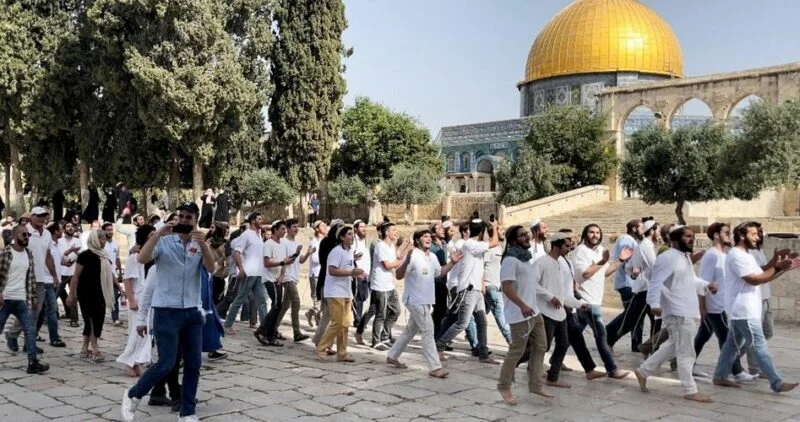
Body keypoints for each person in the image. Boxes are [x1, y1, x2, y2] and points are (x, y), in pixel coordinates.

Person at [122, 202, 215, 422]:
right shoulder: (164, 241)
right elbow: (142, 258)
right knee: (166, 363)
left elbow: (212, 269)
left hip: (192, 312)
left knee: (193, 364)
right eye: (180, 216)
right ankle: (133, 393)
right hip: (166, 311)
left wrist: (205, 246)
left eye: (188, 217)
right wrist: (159, 233)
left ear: (195, 220)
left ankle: (187, 412)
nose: (183, 220)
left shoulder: (198, 244)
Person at [712, 221, 798, 393]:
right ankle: (776, 382)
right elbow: (754, 279)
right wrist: (778, 267)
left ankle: (720, 376)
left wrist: (779, 265)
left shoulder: (747, 255)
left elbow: (762, 273)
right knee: (759, 346)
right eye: (753, 234)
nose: (757, 237)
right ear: (742, 236)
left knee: (731, 346)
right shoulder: (736, 255)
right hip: (744, 310)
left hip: (743, 310)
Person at [634, 225, 716, 403]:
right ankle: (690, 390)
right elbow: (655, 282)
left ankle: (643, 371)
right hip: (678, 311)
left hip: (688, 309)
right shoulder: (667, 258)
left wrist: (706, 285)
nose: (691, 239)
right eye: (687, 236)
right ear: (675, 239)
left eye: (692, 236)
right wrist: (654, 304)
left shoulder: (684, 257)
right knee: (686, 352)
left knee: (673, 346)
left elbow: (691, 280)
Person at [387, 228, 461, 378]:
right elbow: (399, 276)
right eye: (424, 236)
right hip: (414, 300)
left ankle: (392, 356)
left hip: (426, 300)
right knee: (428, 330)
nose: (428, 238)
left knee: (410, 330)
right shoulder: (413, 255)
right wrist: (406, 260)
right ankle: (435, 367)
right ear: (417, 240)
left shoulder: (432, 257)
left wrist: (452, 263)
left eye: (429, 236)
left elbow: (439, 273)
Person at [496, 225, 550, 404]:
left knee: (541, 346)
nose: (527, 237)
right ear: (513, 241)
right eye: (522, 236)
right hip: (520, 314)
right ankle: (504, 386)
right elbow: (506, 287)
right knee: (516, 352)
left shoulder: (525, 258)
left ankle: (535, 384)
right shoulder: (510, 260)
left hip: (534, 312)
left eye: (526, 234)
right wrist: (522, 305)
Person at [570, 223, 631, 380]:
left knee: (573, 336)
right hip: (586, 301)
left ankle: (555, 364)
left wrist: (620, 260)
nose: (595, 235)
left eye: (598, 232)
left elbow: (605, 272)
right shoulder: (580, 251)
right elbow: (584, 274)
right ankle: (612, 369)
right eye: (591, 232)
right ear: (585, 234)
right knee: (601, 336)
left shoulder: (599, 251)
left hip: (594, 300)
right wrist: (602, 262)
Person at [437, 219, 499, 363]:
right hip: (468, 289)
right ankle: (438, 347)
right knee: (462, 322)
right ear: (482, 232)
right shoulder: (471, 244)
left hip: (476, 289)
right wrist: (495, 227)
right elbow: (494, 242)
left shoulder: (475, 245)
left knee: (482, 321)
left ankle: (483, 354)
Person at [8, 207, 62, 352]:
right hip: (23, 277)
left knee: (35, 311)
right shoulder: (24, 231)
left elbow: (48, 256)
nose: (41, 218)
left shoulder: (46, 234)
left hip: (40, 278)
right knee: (25, 310)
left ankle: (23, 341)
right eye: (38, 216)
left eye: (44, 216)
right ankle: (15, 336)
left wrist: (54, 275)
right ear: (31, 216)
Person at [0, 225, 50, 374]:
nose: (26, 237)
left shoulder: (28, 254)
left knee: (30, 330)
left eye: (28, 235)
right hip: (6, 300)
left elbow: (31, 278)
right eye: (23, 234)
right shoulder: (6, 254)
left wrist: (34, 297)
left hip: (22, 299)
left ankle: (32, 362)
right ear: (15, 236)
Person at [314, 225, 365, 362]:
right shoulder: (336, 252)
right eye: (348, 234)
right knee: (336, 323)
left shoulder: (349, 252)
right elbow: (332, 270)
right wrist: (350, 273)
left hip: (346, 291)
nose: (351, 237)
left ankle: (342, 352)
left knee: (345, 324)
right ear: (341, 237)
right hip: (335, 291)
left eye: (352, 234)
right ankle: (321, 347)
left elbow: (350, 269)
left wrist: (359, 274)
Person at [606, 219, 658, 352]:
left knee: (638, 317)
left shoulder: (638, 243)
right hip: (628, 284)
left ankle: (640, 345)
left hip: (636, 284)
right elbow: (625, 260)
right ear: (634, 229)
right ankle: (609, 336)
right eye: (641, 228)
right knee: (632, 316)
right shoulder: (627, 240)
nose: (643, 230)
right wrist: (632, 273)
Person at [357, 222, 409, 350]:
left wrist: (406, 247)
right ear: (386, 232)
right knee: (380, 313)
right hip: (380, 285)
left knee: (396, 311)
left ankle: (385, 336)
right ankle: (376, 341)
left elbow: (397, 257)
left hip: (389, 284)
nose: (396, 232)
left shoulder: (391, 246)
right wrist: (402, 261)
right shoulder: (380, 246)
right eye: (393, 230)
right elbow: (387, 265)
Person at [66, 229, 116, 362]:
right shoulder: (84, 256)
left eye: (105, 239)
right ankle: (95, 348)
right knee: (93, 320)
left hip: (101, 292)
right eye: (102, 239)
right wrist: (71, 294)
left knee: (95, 319)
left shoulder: (104, 256)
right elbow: (75, 276)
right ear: (95, 239)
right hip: (86, 292)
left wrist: (118, 286)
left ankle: (84, 348)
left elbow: (110, 274)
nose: (104, 241)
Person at [116, 225, 156, 377]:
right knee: (137, 332)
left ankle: (137, 361)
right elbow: (127, 280)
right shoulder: (134, 257)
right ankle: (129, 360)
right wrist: (131, 300)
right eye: (151, 235)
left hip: (150, 299)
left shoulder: (152, 255)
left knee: (147, 334)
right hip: (138, 299)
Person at [223, 212, 268, 334]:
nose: (262, 220)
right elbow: (236, 253)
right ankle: (227, 325)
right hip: (249, 272)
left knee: (262, 300)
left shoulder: (259, 236)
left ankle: (265, 328)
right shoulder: (246, 235)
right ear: (253, 221)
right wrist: (241, 269)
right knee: (240, 299)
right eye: (259, 219)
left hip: (258, 273)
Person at [483, 224, 511, 345]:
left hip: (498, 285)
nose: (503, 231)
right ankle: (511, 341)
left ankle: (474, 336)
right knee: (500, 314)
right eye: (500, 230)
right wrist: (483, 284)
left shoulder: (501, 247)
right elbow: (482, 266)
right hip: (490, 285)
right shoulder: (489, 249)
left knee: (479, 314)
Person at [58, 221, 82, 327]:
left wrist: (70, 257)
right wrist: (71, 250)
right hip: (61, 272)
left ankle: (74, 319)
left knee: (74, 296)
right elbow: (60, 254)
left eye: (72, 226)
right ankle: (51, 315)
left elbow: (79, 254)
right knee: (56, 294)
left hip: (73, 272)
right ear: (64, 229)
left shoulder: (78, 241)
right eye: (68, 226)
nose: (70, 228)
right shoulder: (59, 241)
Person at [305, 220, 327, 327]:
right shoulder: (314, 242)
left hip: (325, 275)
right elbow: (314, 258)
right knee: (317, 300)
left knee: (324, 301)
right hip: (316, 274)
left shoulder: (326, 241)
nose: (325, 227)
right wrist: (326, 259)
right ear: (317, 229)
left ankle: (311, 314)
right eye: (323, 225)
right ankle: (319, 323)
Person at [206, 222, 229, 307]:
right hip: (208, 273)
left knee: (217, 300)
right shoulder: (208, 241)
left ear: (218, 230)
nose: (210, 229)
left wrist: (225, 272)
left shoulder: (225, 244)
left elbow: (226, 258)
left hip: (218, 274)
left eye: (213, 228)